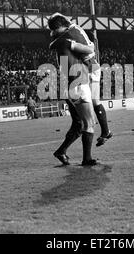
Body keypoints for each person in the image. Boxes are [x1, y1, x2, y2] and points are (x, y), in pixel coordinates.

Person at [48, 13, 112, 147]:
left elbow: (90, 50)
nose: (53, 33)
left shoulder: (71, 33)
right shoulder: (73, 29)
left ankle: (105, 131)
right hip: (90, 67)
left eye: (54, 29)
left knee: (94, 102)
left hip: (90, 67)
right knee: (93, 102)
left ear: (60, 26)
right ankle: (105, 131)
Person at [48, 13, 98, 166]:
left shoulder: (58, 43)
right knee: (90, 123)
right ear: (60, 27)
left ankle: (61, 152)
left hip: (70, 86)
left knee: (79, 124)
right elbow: (90, 50)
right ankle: (87, 159)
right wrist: (90, 44)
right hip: (78, 84)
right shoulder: (66, 41)